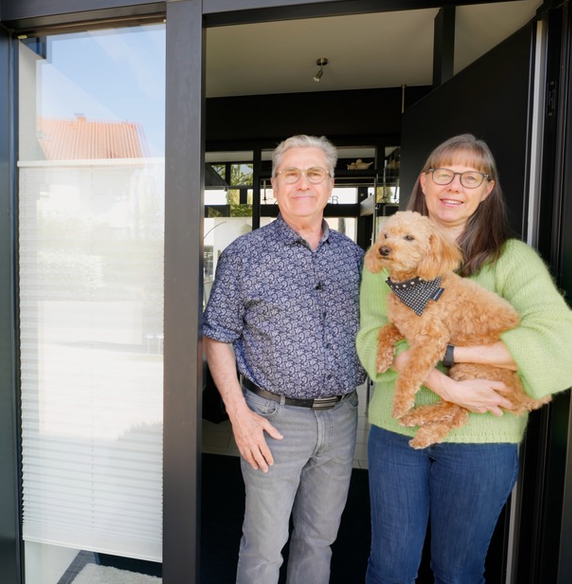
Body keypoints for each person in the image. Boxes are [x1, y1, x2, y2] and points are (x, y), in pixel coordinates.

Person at [356, 133, 572, 584]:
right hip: (396, 433)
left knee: (458, 573)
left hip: (483, 439)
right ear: (424, 181)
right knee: (389, 569)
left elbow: (558, 338)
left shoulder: (512, 259)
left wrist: (453, 353)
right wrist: (447, 385)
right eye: (443, 173)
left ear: (486, 189)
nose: (454, 186)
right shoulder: (387, 253)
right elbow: (373, 336)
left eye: (470, 177)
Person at [203, 134, 366, 584]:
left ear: (330, 184)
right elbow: (216, 337)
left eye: (314, 173)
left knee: (319, 540)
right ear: (274, 186)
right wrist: (239, 416)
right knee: (263, 547)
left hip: (342, 417)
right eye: (290, 174)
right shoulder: (244, 255)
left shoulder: (356, 258)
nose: (302, 183)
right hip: (272, 421)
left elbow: (400, 313)